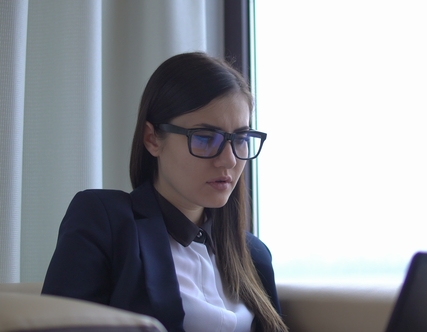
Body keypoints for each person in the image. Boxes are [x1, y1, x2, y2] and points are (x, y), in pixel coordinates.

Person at [42, 52, 288, 332]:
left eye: (241, 139)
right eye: (206, 138)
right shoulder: (106, 223)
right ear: (152, 139)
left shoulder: (253, 254)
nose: (230, 160)